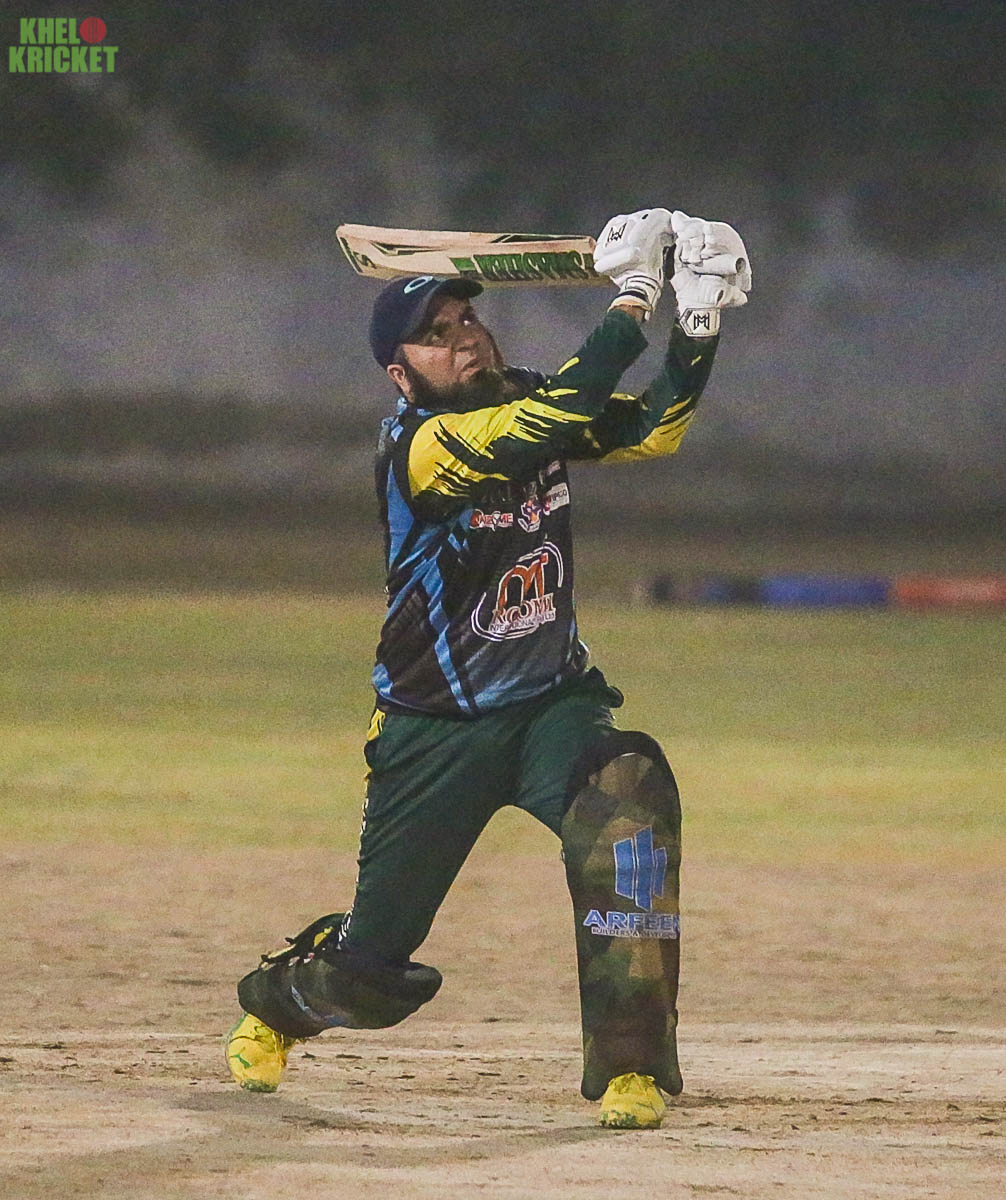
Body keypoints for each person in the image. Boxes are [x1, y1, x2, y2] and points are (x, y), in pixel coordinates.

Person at [225, 208, 751, 1128]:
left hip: (553, 705)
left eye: (467, 318)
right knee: (369, 978)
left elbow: (653, 429)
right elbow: (558, 414)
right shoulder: (423, 446)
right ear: (401, 375)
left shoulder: (534, 399)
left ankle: (631, 1069)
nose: (465, 337)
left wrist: (699, 320)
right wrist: (634, 297)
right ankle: (280, 1002)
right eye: (437, 334)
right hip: (434, 730)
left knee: (627, 802)